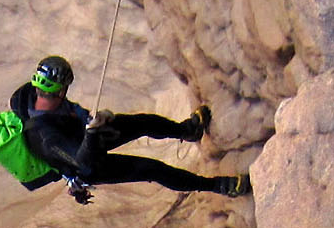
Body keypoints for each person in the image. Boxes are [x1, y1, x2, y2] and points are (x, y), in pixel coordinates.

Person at [13, 56, 251, 202]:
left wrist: (92, 119)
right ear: (61, 89)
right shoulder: (44, 136)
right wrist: (92, 132)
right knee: (152, 169)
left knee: (142, 122)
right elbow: (82, 162)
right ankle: (217, 186)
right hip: (87, 163)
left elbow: (70, 109)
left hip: (86, 134)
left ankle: (188, 131)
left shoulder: (41, 93)